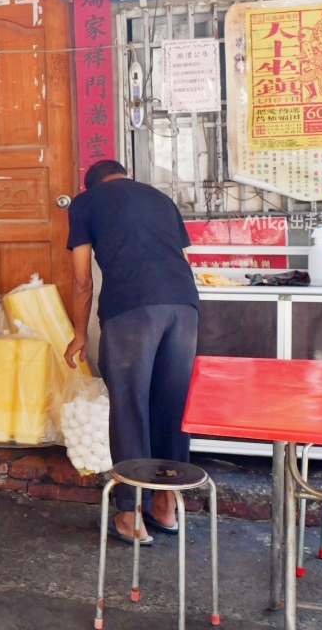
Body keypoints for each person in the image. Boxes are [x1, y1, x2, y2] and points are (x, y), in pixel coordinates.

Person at [64, 160, 199, 546]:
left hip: (132, 309)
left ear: (90, 184)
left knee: (129, 407)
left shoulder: (86, 203)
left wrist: (79, 333)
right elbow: (182, 261)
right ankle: (166, 507)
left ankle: (129, 514)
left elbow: (81, 278)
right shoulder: (161, 198)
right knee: (171, 407)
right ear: (127, 175)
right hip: (184, 306)